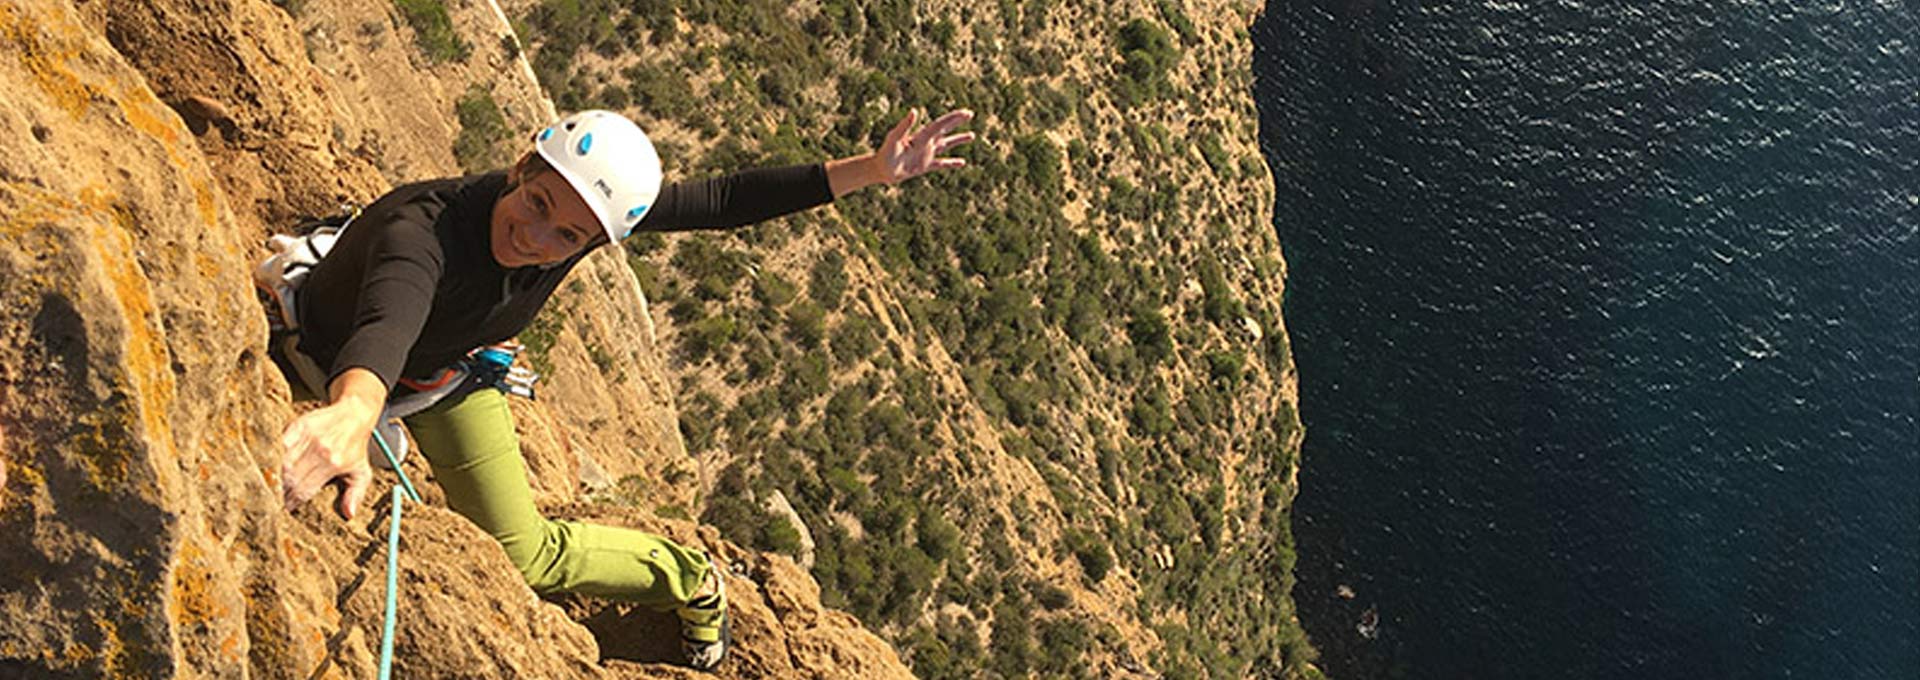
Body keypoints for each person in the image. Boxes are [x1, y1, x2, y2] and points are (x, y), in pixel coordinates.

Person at [271, 107, 975, 670]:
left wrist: (871, 171)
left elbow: (723, 199)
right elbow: (388, 318)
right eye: (537, 202)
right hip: (348, 358)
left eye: (569, 235)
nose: (537, 236)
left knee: (528, 557)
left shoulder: (579, 226)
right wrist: (354, 411)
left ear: (595, 241)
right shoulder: (420, 233)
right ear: (522, 166)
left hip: (442, 381)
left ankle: (690, 577)